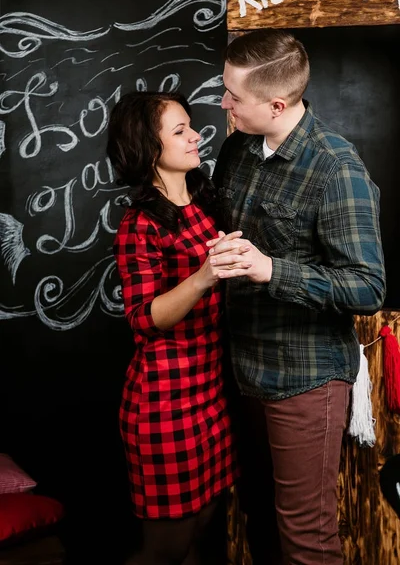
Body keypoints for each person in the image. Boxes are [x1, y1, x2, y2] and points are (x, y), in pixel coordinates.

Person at [207, 29, 386, 565]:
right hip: (241, 369)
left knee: (305, 537)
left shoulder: (337, 169)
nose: (223, 104)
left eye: (233, 97)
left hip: (303, 376)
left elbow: (367, 286)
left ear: (277, 104)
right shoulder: (237, 147)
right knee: (257, 516)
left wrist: (271, 270)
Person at [106, 91, 248, 565]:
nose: (196, 135)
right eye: (180, 130)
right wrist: (207, 274)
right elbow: (144, 318)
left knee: (201, 531)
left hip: (210, 393)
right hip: (165, 403)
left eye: (191, 125)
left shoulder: (205, 202)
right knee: (164, 550)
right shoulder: (139, 224)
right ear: (150, 149)